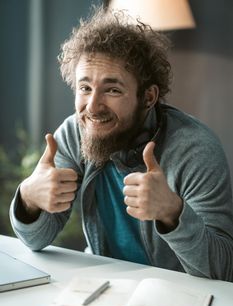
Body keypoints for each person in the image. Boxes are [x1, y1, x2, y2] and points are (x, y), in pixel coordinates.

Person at [9, 6, 233, 281]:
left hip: (177, 297)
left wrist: (173, 213)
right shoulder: (73, 133)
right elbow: (36, 241)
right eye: (85, 88)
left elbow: (222, 271)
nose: (92, 107)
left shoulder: (195, 149)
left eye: (112, 90)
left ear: (149, 97)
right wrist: (28, 198)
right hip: (103, 287)